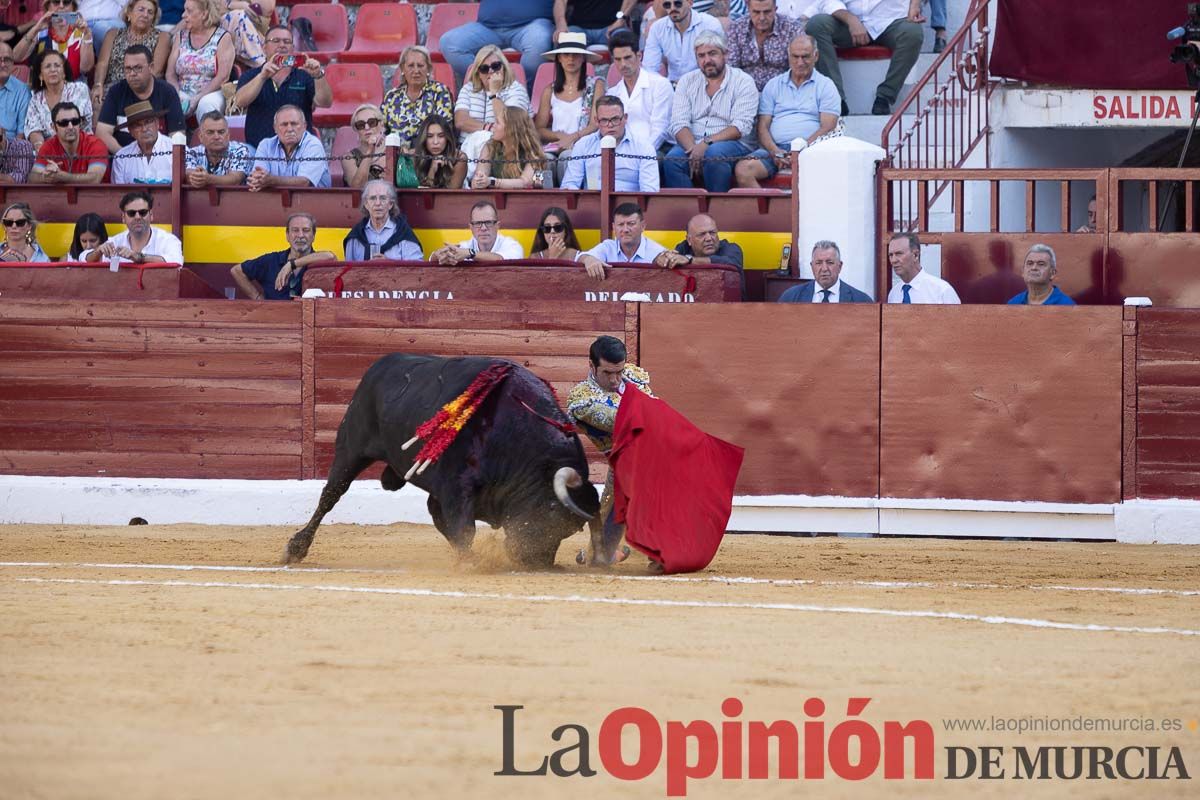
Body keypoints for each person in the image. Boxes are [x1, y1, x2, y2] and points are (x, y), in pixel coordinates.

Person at [566, 334, 652, 565]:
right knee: (600, 558)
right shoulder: (582, 398)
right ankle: (601, 552)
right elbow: (626, 422)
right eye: (607, 373)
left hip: (655, 456)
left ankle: (666, 553)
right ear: (592, 366)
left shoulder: (634, 375)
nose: (615, 380)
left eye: (619, 372)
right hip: (625, 465)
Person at [733, 33, 838, 188]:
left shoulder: (826, 85)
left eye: (805, 56)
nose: (800, 62)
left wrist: (799, 150)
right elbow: (762, 127)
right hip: (775, 148)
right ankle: (771, 211)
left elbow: (828, 127)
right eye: (795, 57)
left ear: (816, 56)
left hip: (812, 149)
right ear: (788, 56)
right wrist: (776, 152)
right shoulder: (773, 85)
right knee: (743, 170)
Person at [663, 31, 757, 193]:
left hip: (734, 143)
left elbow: (740, 127)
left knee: (714, 154)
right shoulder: (687, 81)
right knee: (672, 160)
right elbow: (678, 123)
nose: (707, 60)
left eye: (712, 54)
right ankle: (691, 212)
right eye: (701, 56)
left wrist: (705, 144)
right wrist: (694, 149)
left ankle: (717, 209)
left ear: (725, 54)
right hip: (693, 143)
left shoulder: (743, 81)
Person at [805, 0, 924, 116]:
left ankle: (885, 96)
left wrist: (915, 5)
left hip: (891, 20)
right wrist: (851, 20)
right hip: (848, 23)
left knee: (913, 33)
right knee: (816, 24)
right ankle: (835, 99)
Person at [234, 24, 329, 149]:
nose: (282, 45)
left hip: (298, 149)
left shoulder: (304, 75)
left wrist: (318, 75)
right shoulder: (252, 75)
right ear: (264, 48)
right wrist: (262, 76)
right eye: (276, 41)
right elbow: (240, 101)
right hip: (258, 149)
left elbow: (325, 102)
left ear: (293, 48)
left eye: (287, 41)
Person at [534, 32, 604, 185]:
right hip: (556, 144)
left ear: (583, 58)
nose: (570, 59)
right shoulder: (549, 90)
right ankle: (541, 197)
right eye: (566, 54)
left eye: (576, 55)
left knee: (568, 157)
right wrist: (561, 138)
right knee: (541, 162)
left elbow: (596, 123)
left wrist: (572, 138)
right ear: (559, 58)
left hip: (585, 145)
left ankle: (569, 198)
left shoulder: (596, 85)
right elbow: (539, 129)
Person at [439, 0, 554, 91]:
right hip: (488, 26)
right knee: (449, 43)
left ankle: (521, 93)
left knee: (539, 42)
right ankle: (488, 88)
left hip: (530, 25)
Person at [95, 44, 184, 153]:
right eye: (128, 69)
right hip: (124, 161)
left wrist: (158, 159)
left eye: (138, 68)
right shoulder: (116, 92)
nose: (132, 73)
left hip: (161, 159)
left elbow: (177, 135)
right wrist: (126, 157)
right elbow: (102, 133)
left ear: (151, 67)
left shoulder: (167, 92)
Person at [560, 94, 659, 191]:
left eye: (615, 119)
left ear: (625, 118)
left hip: (631, 205)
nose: (610, 125)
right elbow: (569, 184)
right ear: (596, 121)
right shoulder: (583, 145)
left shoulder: (644, 147)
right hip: (592, 203)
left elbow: (649, 190)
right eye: (604, 120)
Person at [231, 212, 335, 300]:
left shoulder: (320, 262)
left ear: (313, 236)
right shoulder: (271, 260)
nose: (300, 235)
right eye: (295, 230)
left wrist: (291, 264)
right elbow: (237, 271)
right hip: (275, 322)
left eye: (306, 230)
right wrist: (259, 299)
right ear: (287, 236)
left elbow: (330, 256)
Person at [91, 0, 169, 110]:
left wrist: (134, 89)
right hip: (112, 89)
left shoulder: (162, 37)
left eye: (150, 12)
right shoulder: (113, 34)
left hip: (143, 90)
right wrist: (98, 85)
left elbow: (156, 71)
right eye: (141, 10)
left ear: (153, 18)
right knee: (97, 100)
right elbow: (102, 64)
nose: (145, 15)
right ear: (129, 13)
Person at [606, 29, 673, 153]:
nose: (623, 64)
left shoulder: (661, 85)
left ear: (639, 56)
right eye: (618, 59)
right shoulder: (612, 93)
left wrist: (640, 155)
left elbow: (660, 129)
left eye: (627, 58)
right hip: (622, 150)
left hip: (656, 148)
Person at [165, 0, 233, 118]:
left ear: (204, 14)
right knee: (170, 102)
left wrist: (198, 97)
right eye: (184, 10)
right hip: (182, 92)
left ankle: (209, 135)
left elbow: (223, 76)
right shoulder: (180, 36)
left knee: (205, 104)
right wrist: (176, 94)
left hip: (211, 92)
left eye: (189, 11)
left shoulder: (222, 37)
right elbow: (170, 74)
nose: (183, 15)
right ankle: (177, 136)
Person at [577, 202, 674, 280]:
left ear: (643, 226)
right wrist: (588, 259)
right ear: (614, 227)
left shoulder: (657, 251)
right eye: (620, 224)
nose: (625, 229)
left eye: (631, 224)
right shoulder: (607, 247)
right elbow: (580, 257)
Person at [82, 189, 184, 264]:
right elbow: (83, 258)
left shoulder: (168, 240)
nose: (137, 217)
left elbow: (176, 262)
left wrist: (138, 257)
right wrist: (99, 251)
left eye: (143, 212)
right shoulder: (115, 242)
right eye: (131, 213)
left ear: (151, 215)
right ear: (123, 217)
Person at [453, 45, 530, 140]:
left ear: (504, 68)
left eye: (496, 66)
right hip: (468, 148)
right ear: (478, 73)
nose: (491, 71)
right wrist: (488, 128)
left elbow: (508, 125)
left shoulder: (516, 89)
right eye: (484, 68)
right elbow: (460, 121)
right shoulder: (468, 88)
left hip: (502, 147)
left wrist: (494, 93)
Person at [381, 45, 453, 148]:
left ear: (428, 69)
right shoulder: (392, 96)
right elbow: (381, 129)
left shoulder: (439, 92)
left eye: (420, 65)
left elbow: (444, 129)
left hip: (427, 154)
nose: (416, 71)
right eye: (411, 66)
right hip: (396, 154)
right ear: (402, 69)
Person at [247, 103, 330, 191]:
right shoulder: (266, 145)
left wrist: (272, 180)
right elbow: (258, 177)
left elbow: (304, 182)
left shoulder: (313, 145)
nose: (289, 129)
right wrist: (258, 179)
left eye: (294, 124)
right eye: (284, 124)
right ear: (275, 128)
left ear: (304, 126)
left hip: (313, 201)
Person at [727, 0, 804, 91]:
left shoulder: (792, 29)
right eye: (756, 12)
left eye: (767, 12)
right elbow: (731, 68)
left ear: (775, 9)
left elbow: (800, 67)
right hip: (745, 90)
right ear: (748, 9)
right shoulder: (736, 29)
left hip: (784, 90)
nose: (762, 17)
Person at [25, 49, 91, 149]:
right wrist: (41, 148)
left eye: (57, 65)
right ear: (40, 76)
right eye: (48, 66)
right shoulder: (36, 99)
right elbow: (34, 130)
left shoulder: (79, 89)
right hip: (48, 150)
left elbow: (77, 124)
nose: (53, 69)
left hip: (80, 145)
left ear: (64, 73)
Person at [342, 179, 423, 262]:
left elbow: (416, 268)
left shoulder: (403, 233)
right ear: (366, 204)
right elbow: (348, 270)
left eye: (383, 198)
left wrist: (389, 264)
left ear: (390, 204)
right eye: (373, 198)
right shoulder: (356, 236)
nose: (378, 203)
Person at [642, 0, 724, 82]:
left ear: (690, 3)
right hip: (673, 86)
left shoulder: (709, 24)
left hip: (704, 84)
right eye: (667, 5)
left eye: (678, 3)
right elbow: (650, 69)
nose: (672, 8)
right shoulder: (657, 28)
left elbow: (718, 64)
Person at [470, 104, 546, 190]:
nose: (493, 125)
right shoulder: (490, 147)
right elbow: (478, 178)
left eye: (497, 122)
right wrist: (479, 180)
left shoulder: (533, 152)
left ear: (511, 129)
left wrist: (493, 182)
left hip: (525, 200)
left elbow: (525, 182)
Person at [14, 0, 96, 78]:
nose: (61, 6)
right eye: (56, 1)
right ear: (48, 6)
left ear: (73, 7)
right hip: (44, 87)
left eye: (66, 2)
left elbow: (86, 68)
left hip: (74, 87)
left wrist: (87, 35)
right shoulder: (40, 31)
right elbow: (16, 57)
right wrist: (35, 29)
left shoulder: (82, 30)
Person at [29, 100, 107, 183]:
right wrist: (46, 176)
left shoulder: (95, 144)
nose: (70, 127)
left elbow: (94, 179)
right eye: (64, 123)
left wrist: (62, 176)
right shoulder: (49, 146)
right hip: (61, 196)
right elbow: (32, 178)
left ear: (80, 123)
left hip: (95, 195)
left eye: (75, 122)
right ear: (53, 127)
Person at [429, 200, 524, 264]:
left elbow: (499, 259)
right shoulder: (465, 247)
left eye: (488, 222)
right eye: (478, 223)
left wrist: (470, 253)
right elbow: (433, 259)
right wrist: (439, 255)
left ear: (497, 226)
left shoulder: (512, 245)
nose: (483, 228)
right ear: (471, 228)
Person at [778, 239, 871, 301]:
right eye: (818, 263)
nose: (824, 269)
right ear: (812, 266)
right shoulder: (791, 297)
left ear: (840, 266)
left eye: (830, 262)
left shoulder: (861, 300)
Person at [666, 213, 745, 287]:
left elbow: (730, 263)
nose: (709, 238)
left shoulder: (732, 249)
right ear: (689, 240)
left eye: (712, 232)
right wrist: (662, 258)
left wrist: (689, 260)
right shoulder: (684, 247)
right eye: (702, 234)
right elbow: (670, 260)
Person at [886, 231, 959, 303]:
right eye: (891, 255)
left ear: (915, 255)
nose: (893, 260)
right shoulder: (894, 294)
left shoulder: (941, 291)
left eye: (899, 254)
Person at [184, 108, 250, 186]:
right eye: (210, 132)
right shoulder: (192, 153)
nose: (216, 137)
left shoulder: (240, 150)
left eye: (221, 132)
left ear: (228, 136)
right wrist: (196, 176)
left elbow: (235, 179)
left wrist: (208, 179)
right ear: (201, 137)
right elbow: (187, 173)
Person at [111, 99, 171, 182]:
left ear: (157, 123)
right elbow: (118, 193)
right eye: (137, 125)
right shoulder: (121, 158)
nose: (144, 129)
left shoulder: (175, 149)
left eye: (148, 122)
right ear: (130, 131)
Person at [1007, 244, 1075, 306]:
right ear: (1023, 272)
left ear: (1053, 273)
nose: (1034, 268)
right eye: (1030, 263)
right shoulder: (1013, 303)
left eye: (1041, 264)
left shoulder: (1066, 305)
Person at [410, 114, 466, 189]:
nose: (435, 142)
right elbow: (420, 195)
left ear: (447, 138)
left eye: (441, 136)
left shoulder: (459, 158)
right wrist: (432, 171)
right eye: (430, 136)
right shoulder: (413, 156)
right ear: (423, 139)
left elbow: (451, 196)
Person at [339, 102, 386, 189]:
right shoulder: (349, 158)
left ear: (381, 124)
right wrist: (370, 150)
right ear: (356, 130)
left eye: (372, 122)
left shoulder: (395, 152)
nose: (367, 127)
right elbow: (357, 187)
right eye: (361, 125)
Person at [553, 0, 635, 47]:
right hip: (579, 27)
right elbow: (561, 1)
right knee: (564, 40)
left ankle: (622, 77)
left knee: (625, 42)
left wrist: (620, 20)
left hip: (613, 27)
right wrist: (561, 24)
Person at [0, 43, 32, 139]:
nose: (3, 64)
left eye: (7, 59)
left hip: (9, 148)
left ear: (13, 63)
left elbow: (21, 133)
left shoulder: (22, 91)